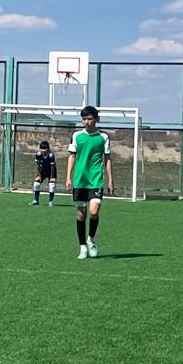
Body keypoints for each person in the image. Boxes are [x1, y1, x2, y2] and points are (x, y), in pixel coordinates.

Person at [66, 106, 114, 259]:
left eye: (89, 119)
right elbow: (72, 157)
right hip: (80, 179)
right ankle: (82, 247)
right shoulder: (76, 135)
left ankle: (91, 240)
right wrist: (68, 177)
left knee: (93, 212)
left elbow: (107, 159)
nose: (86, 122)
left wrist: (110, 180)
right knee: (81, 214)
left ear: (96, 119)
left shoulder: (103, 137)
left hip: (96, 179)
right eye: (84, 119)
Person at [31, 139, 57, 207]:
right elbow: (38, 165)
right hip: (42, 171)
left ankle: (50, 201)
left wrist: (52, 177)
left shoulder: (51, 155)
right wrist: (38, 175)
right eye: (41, 148)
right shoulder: (38, 154)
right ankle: (36, 200)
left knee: (52, 185)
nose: (43, 150)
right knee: (36, 184)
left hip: (51, 172)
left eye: (45, 149)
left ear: (48, 149)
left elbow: (52, 167)